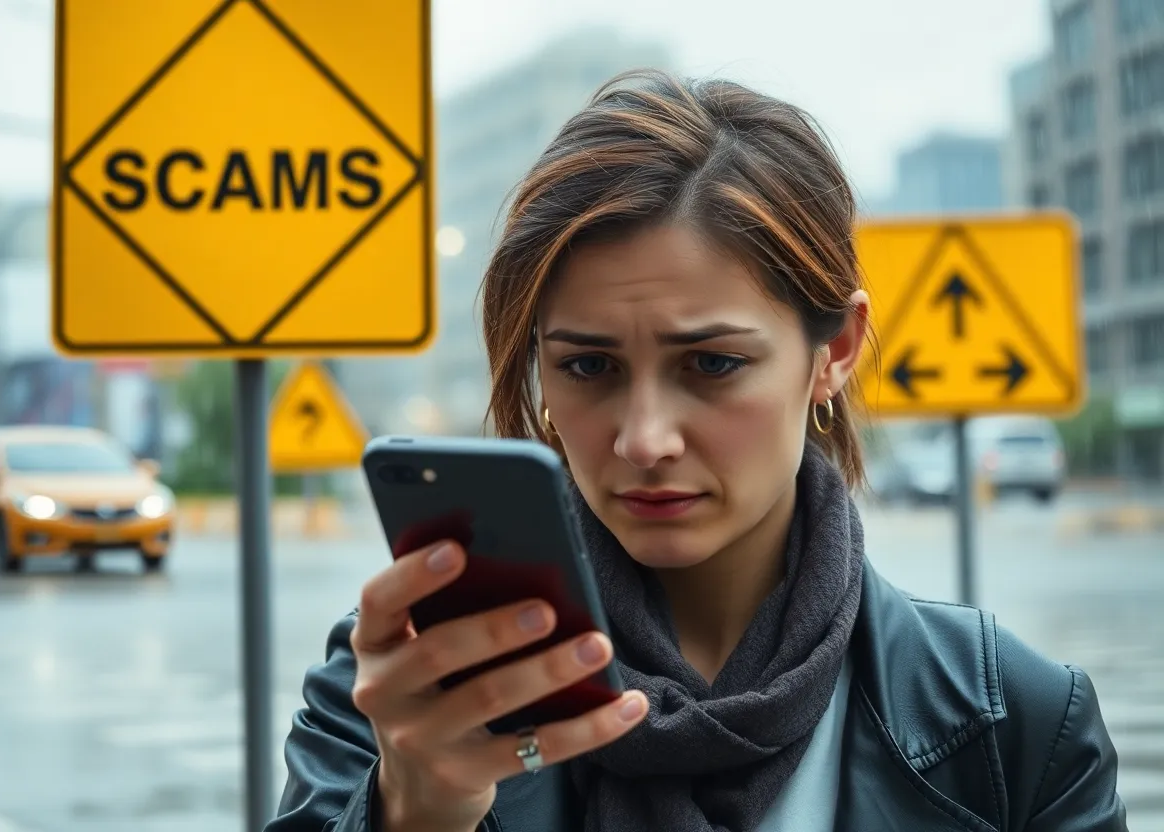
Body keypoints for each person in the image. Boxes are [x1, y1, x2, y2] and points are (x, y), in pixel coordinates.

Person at [267, 71, 1127, 832]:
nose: (644, 439)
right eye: (588, 366)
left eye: (712, 364)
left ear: (834, 351)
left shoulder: (1013, 721)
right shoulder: (408, 691)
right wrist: (413, 815)